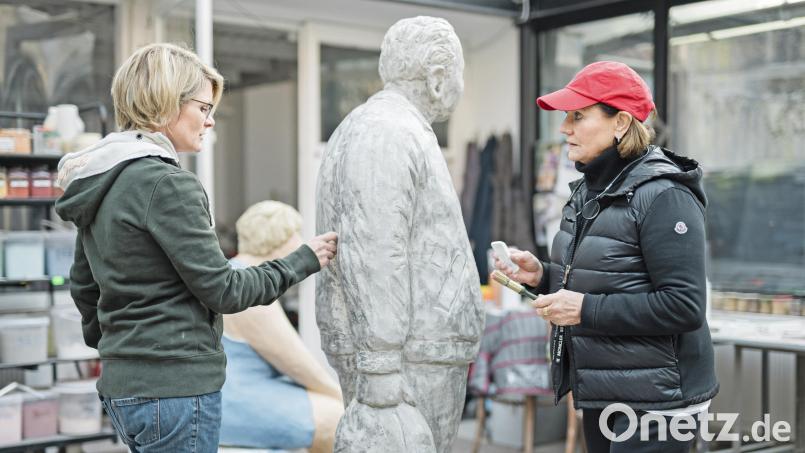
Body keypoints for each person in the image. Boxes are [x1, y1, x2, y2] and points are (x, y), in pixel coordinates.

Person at [54, 43, 337, 452]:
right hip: (175, 391)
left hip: (124, 390)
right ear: (167, 102)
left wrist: (125, 354)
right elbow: (225, 290)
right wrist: (303, 259)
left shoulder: (106, 180)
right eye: (203, 107)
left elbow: (84, 286)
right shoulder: (166, 183)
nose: (209, 120)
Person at [494, 61, 718, 453]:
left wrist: (583, 310)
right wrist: (542, 275)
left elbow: (684, 307)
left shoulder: (665, 195)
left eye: (578, 116)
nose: (564, 128)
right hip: (604, 388)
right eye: (566, 117)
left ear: (620, 123)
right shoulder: (588, 191)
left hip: (660, 399)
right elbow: (604, 278)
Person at [316, 16, 483, 453]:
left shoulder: (385, 126)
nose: (460, 86)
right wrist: (380, 365)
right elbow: (375, 250)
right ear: (437, 78)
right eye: (460, 73)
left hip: (412, 351)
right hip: (409, 356)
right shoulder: (387, 130)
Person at [219, 201, 343, 452]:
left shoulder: (236, 272)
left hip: (233, 397)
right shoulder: (252, 284)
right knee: (341, 419)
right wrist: (344, 398)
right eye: (293, 234)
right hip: (240, 403)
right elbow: (297, 364)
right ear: (275, 237)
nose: (299, 243)